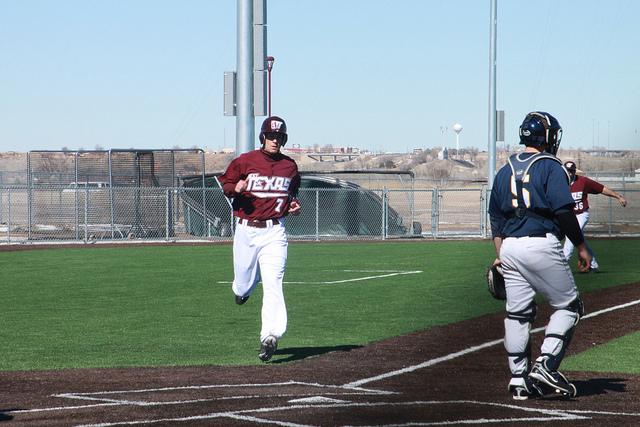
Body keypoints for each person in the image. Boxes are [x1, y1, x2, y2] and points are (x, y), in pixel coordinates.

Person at [488, 111, 592, 400]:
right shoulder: (550, 166)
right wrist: (581, 246)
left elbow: (495, 219)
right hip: (540, 244)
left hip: (509, 246)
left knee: (517, 314)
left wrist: (500, 256)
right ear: (547, 137)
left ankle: (518, 379)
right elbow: (562, 210)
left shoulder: (504, 169)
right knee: (570, 306)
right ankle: (545, 365)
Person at [219, 116, 301, 362]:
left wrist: (293, 205)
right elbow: (226, 184)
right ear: (263, 138)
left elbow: (291, 194)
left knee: (274, 283)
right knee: (242, 284)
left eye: (279, 137)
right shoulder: (245, 161)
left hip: (275, 232)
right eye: (272, 136)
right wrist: (237, 188)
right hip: (246, 230)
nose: (275, 140)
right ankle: (243, 288)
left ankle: (270, 336)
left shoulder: (290, 167)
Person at [562, 160, 627, 272]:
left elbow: (602, 189)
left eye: (572, 171)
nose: (570, 173)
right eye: (567, 171)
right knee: (580, 238)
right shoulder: (559, 182)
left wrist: (618, 196)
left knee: (571, 236)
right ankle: (593, 265)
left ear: (574, 171)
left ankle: (562, 265)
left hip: (582, 214)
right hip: (570, 216)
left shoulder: (582, 181)